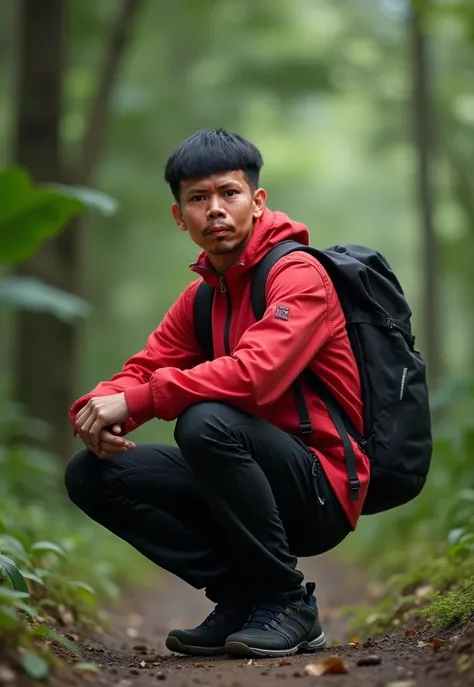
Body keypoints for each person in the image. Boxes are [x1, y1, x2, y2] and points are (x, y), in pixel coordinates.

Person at [65, 128, 370, 659]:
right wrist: (95, 410)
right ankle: (242, 598)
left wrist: (138, 402)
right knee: (90, 474)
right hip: (243, 478)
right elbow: (145, 367)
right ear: (179, 216)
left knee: (205, 420)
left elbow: (257, 374)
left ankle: (288, 602)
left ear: (257, 201)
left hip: (320, 487)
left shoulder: (298, 274)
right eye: (197, 199)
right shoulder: (202, 298)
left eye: (228, 193)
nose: (215, 210)